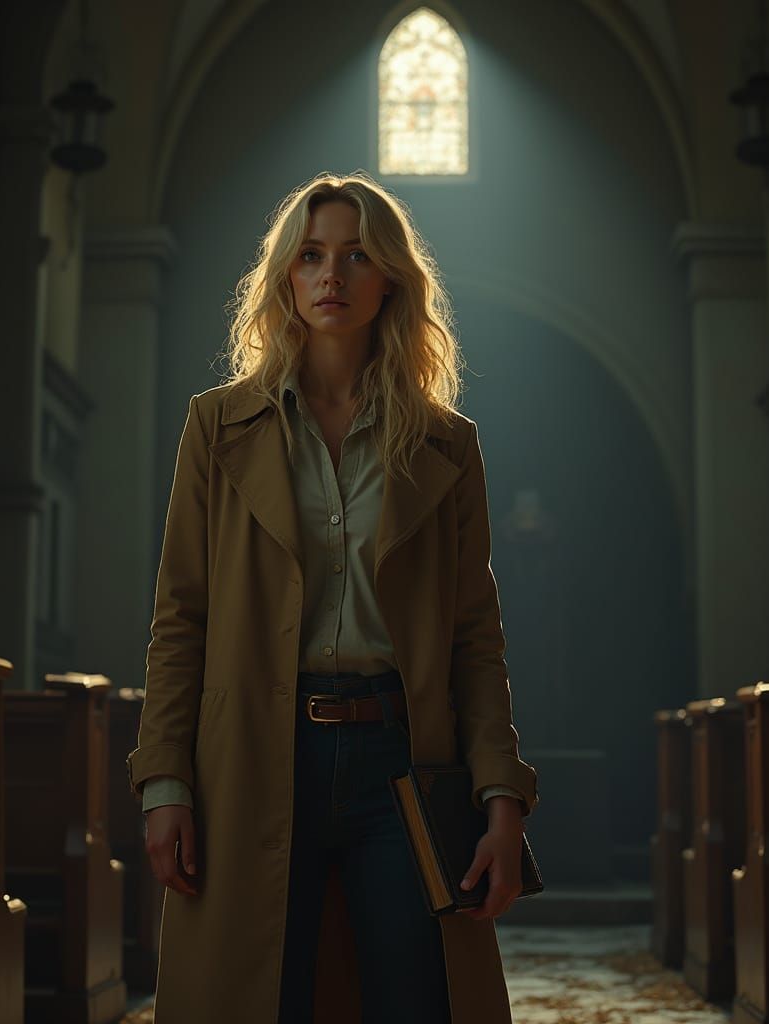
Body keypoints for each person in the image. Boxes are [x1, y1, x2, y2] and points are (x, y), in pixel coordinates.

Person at [126, 170, 539, 1024]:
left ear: (390, 276)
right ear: (284, 275)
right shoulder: (217, 427)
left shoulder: (446, 444)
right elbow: (181, 619)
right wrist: (163, 780)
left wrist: (502, 798)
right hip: (256, 754)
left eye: (356, 255)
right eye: (311, 256)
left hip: (403, 759)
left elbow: (474, 635)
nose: (332, 276)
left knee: (416, 1000)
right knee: (262, 1000)